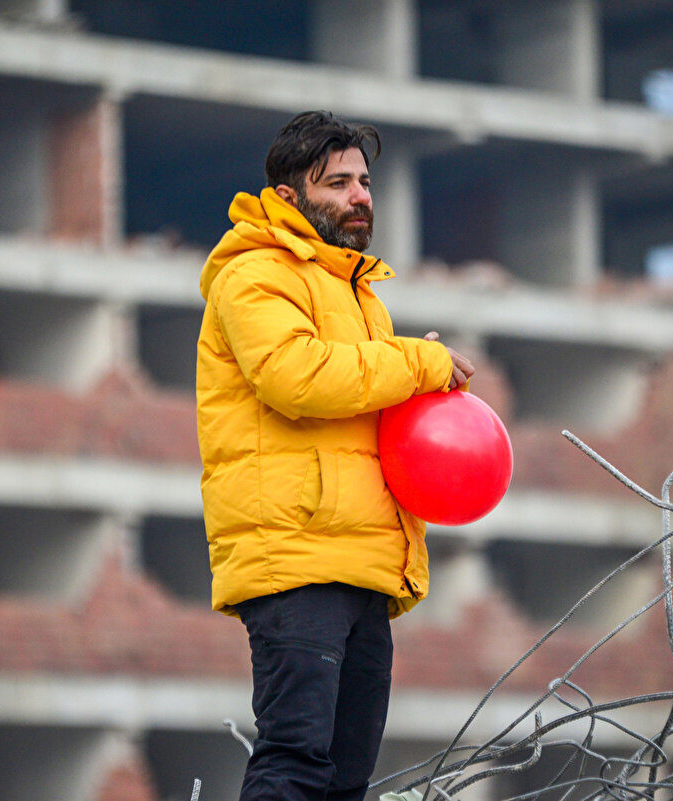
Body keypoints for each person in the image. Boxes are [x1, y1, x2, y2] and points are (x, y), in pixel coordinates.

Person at [195, 110, 475, 801]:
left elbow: (361, 391)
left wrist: (410, 368)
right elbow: (298, 378)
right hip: (297, 559)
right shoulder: (255, 272)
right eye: (338, 183)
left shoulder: (359, 293)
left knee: (348, 780)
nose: (359, 196)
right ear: (288, 198)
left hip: (363, 562)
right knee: (295, 762)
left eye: (364, 182)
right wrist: (415, 359)